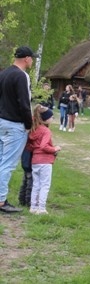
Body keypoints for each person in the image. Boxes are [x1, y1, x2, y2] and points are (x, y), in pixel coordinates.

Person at [0, 46, 37, 213]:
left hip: (2, 121)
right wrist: (29, 125)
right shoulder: (22, 76)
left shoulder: (4, 73)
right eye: (32, 59)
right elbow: (24, 103)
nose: (32, 61)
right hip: (15, 125)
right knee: (7, 164)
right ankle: (1, 201)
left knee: (1, 161)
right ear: (26, 58)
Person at [26, 105, 61, 215]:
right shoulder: (46, 131)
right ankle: (41, 208)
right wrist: (55, 148)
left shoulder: (33, 130)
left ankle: (33, 207)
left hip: (35, 161)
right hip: (45, 162)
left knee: (36, 184)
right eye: (51, 116)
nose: (52, 118)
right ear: (45, 118)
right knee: (45, 185)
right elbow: (43, 146)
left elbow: (30, 146)